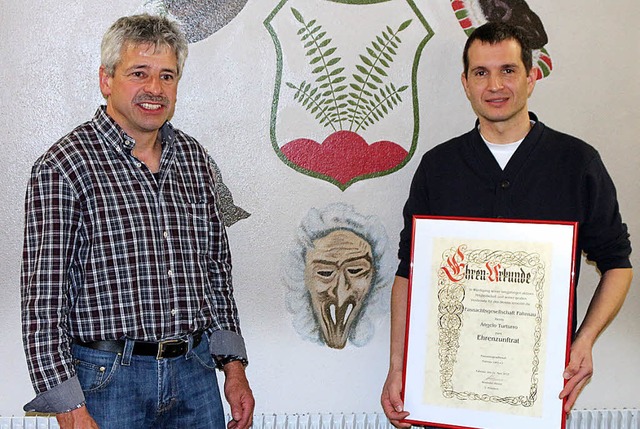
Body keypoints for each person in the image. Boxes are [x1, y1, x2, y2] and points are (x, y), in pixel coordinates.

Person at [380, 22, 632, 428]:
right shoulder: (438, 167)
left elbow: (617, 264)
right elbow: (408, 273)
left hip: (537, 394)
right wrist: (398, 366)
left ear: (531, 77)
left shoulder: (577, 163)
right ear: (465, 83)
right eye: (481, 72)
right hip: (448, 394)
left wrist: (584, 342)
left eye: (508, 70)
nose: (495, 85)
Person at [21, 14, 254, 429]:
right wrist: (67, 406)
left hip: (195, 373)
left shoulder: (194, 159)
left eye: (167, 76)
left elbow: (216, 270)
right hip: (107, 382)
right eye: (139, 73)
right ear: (106, 80)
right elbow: (43, 299)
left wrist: (234, 367)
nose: (155, 89)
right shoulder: (64, 167)